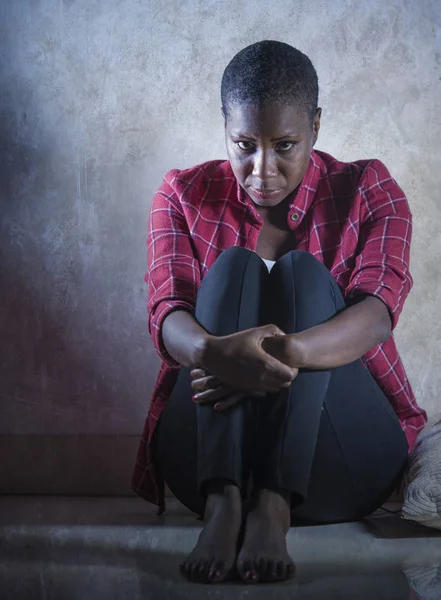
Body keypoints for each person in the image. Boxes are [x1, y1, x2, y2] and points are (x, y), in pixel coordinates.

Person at [132, 40, 428, 585]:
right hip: (203, 457)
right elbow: (164, 307)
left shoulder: (367, 188)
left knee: (302, 275)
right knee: (232, 269)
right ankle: (223, 505)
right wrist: (214, 353)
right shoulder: (182, 193)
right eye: (243, 144)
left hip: (336, 459)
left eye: (285, 145)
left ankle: (273, 505)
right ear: (225, 127)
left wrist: (279, 358)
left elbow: (378, 312)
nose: (261, 168)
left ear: (315, 126)